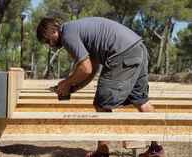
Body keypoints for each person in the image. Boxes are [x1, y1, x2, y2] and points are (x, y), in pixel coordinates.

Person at [36, 17, 166, 157]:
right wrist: (73, 88)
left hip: (122, 54)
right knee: (141, 100)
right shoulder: (79, 30)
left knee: (101, 103)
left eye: (48, 40)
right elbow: (92, 69)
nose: (51, 45)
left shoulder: (67, 35)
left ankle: (102, 153)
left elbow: (84, 69)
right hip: (138, 48)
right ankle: (157, 150)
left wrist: (65, 83)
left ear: (52, 31)